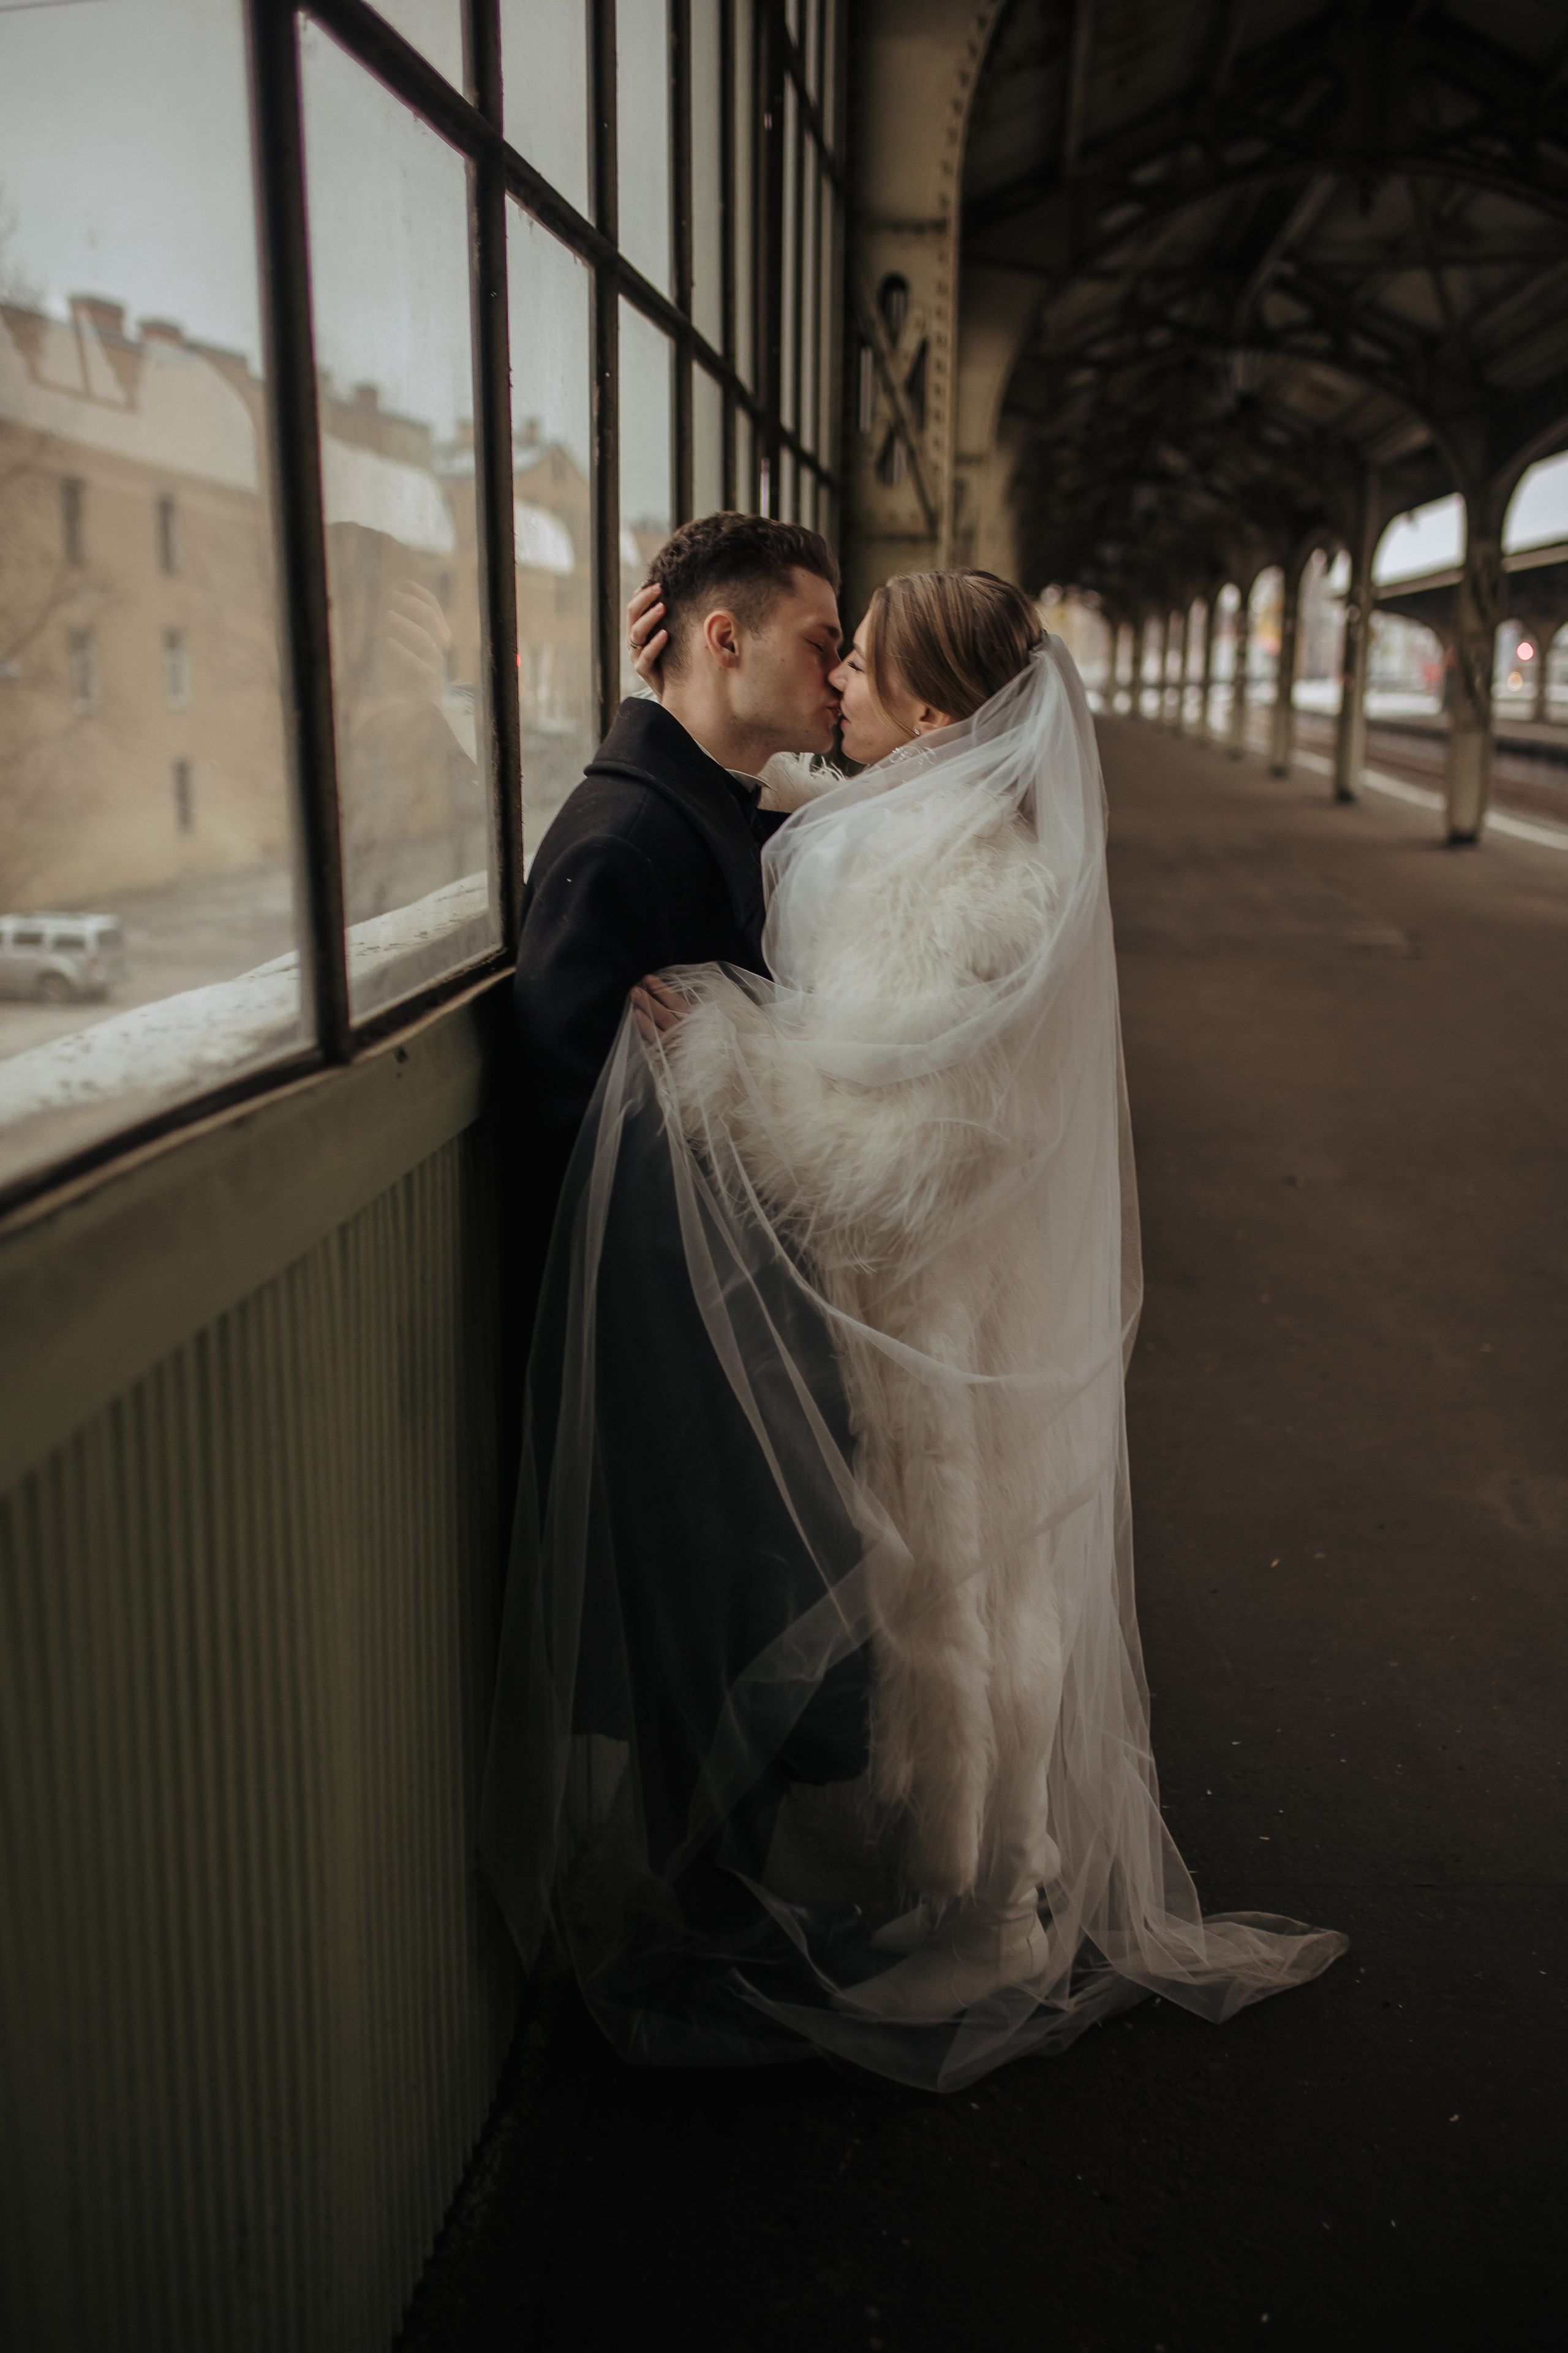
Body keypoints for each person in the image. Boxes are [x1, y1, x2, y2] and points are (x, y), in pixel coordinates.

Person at [483, 563, 1348, 2092]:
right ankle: (973, 1887)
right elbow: (792, 799)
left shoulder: (956, 885)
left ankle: (986, 1909)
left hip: (935, 1307)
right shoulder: (920, 824)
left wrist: (719, 1051)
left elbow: (898, 1151)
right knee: (962, 1586)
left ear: (936, 715)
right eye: (827, 651)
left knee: (958, 1591)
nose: (834, 683)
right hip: (937, 1297)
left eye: (859, 662)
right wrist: (671, 688)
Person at [508, 511, 844, 1325]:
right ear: (725, 640)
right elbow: (578, 1161)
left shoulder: (724, 809)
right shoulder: (622, 845)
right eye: (821, 645)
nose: (839, 677)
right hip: (674, 1323)